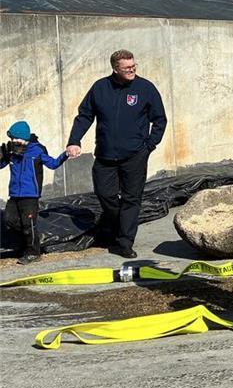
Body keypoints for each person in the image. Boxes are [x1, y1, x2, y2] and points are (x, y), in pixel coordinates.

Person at [66, 50, 167, 259]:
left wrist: (149, 146)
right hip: (105, 155)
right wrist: (74, 140)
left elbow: (159, 120)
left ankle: (125, 243)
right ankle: (118, 225)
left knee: (132, 199)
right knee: (105, 194)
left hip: (135, 155)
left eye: (134, 66)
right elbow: (85, 115)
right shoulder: (100, 88)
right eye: (126, 67)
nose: (132, 70)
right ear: (115, 69)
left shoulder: (145, 88)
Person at [1, 121, 68, 263]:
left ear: (24, 138)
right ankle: (28, 241)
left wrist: (66, 154)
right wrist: (2, 157)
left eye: (16, 138)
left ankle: (34, 252)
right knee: (9, 220)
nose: (13, 141)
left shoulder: (37, 151)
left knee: (28, 224)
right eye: (12, 138)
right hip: (14, 194)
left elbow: (53, 164)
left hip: (30, 195)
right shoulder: (11, 151)